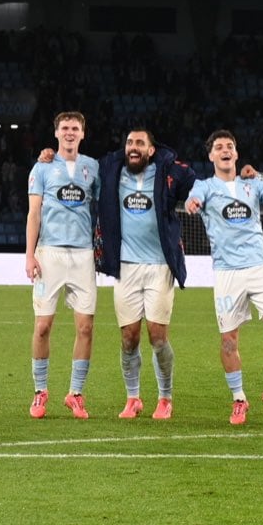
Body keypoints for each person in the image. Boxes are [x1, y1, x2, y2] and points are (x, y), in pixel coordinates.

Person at [183, 130, 263, 425]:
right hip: (227, 272)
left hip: (259, 267)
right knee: (229, 340)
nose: (225, 150)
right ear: (211, 155)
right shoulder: (205, 186)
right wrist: (192, 203)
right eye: (219, 147)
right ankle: (239, 399)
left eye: (230, 146)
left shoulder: (252, 185)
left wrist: (262, 176)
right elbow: (194, 196)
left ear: (236, 154)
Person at [90, 126, 201, 422]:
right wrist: (48, 157)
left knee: (157, 336)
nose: (133, 147)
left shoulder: (167, 172)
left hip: (159, 267)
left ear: (151, 150)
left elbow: (200, 184)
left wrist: (196, 197)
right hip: (125, 267)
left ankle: (165, 398)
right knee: (128, 337)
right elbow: (81, 170)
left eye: (140, 142)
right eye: (129, 142)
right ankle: (133, 398)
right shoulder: (112, 171)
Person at [26, 110, 101, 419]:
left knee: (85, 327)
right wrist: (29, 254)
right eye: (65, 128)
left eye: (75, 128)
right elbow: (34, 213)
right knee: (43, 326)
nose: (70, 132)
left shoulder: (92, 167)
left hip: (83, 256)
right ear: (56, 133)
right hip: (49, 253)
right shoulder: (42, 167)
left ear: (83, 133)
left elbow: (101, 208)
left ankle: (76, 393)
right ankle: (40, 391)